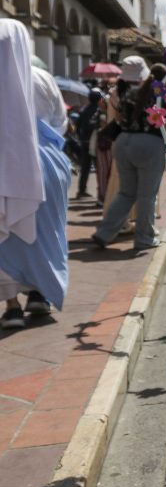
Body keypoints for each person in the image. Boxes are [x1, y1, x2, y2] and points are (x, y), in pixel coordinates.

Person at [0, 20, 71, 328]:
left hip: (4, 165)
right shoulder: (42, 77)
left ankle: (12, 306)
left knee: (5, 236)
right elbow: (60, 121)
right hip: (47, 162)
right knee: (47, 231)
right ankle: (40, 294)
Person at [91, 61, 166, 250]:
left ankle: (104, 232)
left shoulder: (130, 93)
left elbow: (120, 119)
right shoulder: (163, 96)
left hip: (123, 143)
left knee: (126, 192)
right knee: (147, 195)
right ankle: (144, 238)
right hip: (149, 144)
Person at [74, 89, 103, 199]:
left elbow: (77, 127)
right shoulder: (100, 111)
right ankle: (101, 191)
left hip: (84, 142)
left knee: (85, 168)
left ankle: (81, 191)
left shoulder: (84, 110)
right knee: (100, 168)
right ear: (100, 99)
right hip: (96, 143)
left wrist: (80, 138)